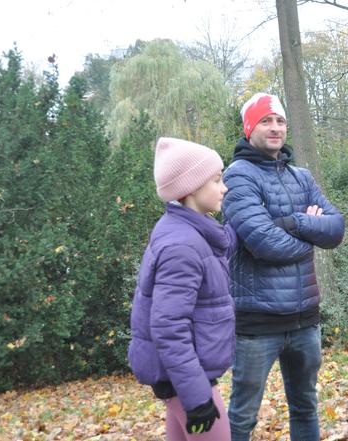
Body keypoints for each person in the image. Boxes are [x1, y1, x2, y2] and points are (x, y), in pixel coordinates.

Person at [222, 93, 345, 441]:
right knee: (242, 416)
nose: (275, 128)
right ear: (249, 128)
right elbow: (263, 244)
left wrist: (288, 222)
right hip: (256, 323)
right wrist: (309, 230)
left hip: (305, 319)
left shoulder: (302, 177)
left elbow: (335, 229)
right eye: (266, 121)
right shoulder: (237, 177)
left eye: (280, 120)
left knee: (305, 406)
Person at [128, 137, 236, 440]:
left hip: (180, 378)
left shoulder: (187, 231)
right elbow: (169, 326)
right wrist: (198, 397)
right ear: (190, 188)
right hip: (187, 382)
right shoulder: (182, 245)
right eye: (216, 180)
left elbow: (216, 253)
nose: (223, 187)